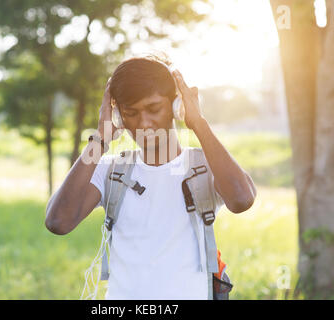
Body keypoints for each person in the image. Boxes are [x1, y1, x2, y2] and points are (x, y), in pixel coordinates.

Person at [45, 53, 257, 299]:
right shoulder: (110, 169)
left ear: (176, 107)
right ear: (118, 116)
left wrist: (198, 123)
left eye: (153, 108)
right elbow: (58, 222)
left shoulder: (205, 166)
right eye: (131, 112)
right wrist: (100, 139)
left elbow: (242, 200)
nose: (143, 123)